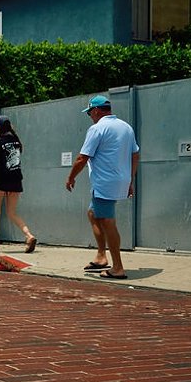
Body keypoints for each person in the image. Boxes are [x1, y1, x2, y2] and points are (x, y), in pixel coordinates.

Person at [65, 95, 140, 279]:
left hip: (105, 183)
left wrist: (71, 177)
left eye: (90, 112)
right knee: (93, 213)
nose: (90, 116)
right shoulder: (126, 127)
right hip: (120, 180)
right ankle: (101, 257)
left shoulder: (97, 128)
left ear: (97, 110)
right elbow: (135, 154)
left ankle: (118, 267)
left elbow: (83, 158)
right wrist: (130, 180)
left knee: (108, 221)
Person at [0, 115, 37, 253]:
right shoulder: (16, 142)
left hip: (1, 181)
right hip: (15, 181)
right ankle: (29, 235)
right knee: (12, 213)